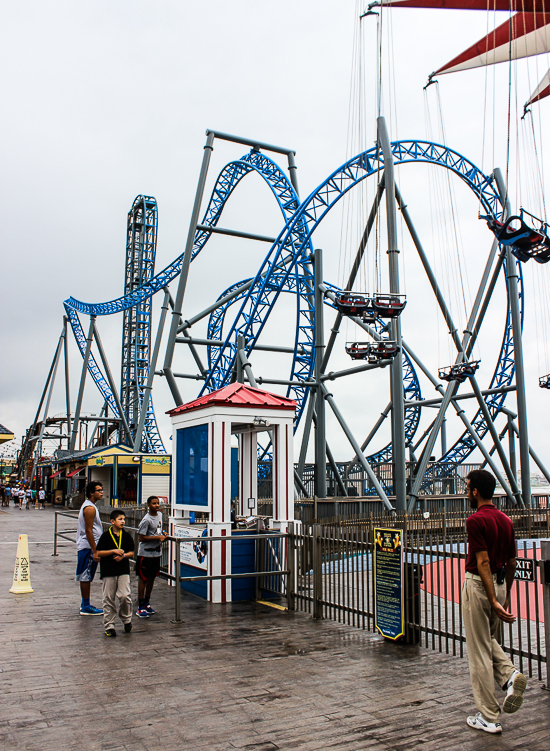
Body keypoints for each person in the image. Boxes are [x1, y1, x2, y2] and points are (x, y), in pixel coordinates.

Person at [463, 469, 527, 734]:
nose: (466, 491)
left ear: (476, 491)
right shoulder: (506, 520)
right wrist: (504, 594)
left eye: (468, 487)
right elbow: (511, 563)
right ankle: (509, 676)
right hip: (500, 585)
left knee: (478, 652)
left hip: (479, 586)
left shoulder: (475, 521)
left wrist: (490, 597)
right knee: (487, 641)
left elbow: (483, 561)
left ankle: (489, 716)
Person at [96, 510, 135, 637]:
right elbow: (99, 553)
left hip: (123, 570)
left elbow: (131, 552)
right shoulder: (106, 536)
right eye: (120, 519)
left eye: (124, 519)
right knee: (108, 598)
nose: (123, 521)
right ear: (112, 521)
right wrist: (113, 551)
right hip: (108, 570)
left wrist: (123, 556)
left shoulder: (127, 535)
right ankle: (109, 625)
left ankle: (126, 619)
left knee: (125, 595)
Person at [75, 481, 105, 616]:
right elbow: (88, 531)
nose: (101, 492)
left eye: (102, 490)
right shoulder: (89, 508)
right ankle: (86, 605)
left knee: (88, 575)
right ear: (91, 492)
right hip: (88, 547)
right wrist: (94, 550)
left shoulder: (91, 506)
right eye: (98, 490)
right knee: (86, 575)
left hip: (89, 546)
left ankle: (85, 603)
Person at [135, 496, 167, 618]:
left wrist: (163, 533)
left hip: (156, 553)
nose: (156, 505)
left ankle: (147, 602)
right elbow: (141, 537)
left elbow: (158, 529)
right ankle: (140, 605)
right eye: (154, 503)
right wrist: (157, 538)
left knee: (152, 577)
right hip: (145, 553)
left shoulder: (160, 515)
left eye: (158, 503)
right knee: (143, 578)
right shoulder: (146, 520)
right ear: (148, 505)